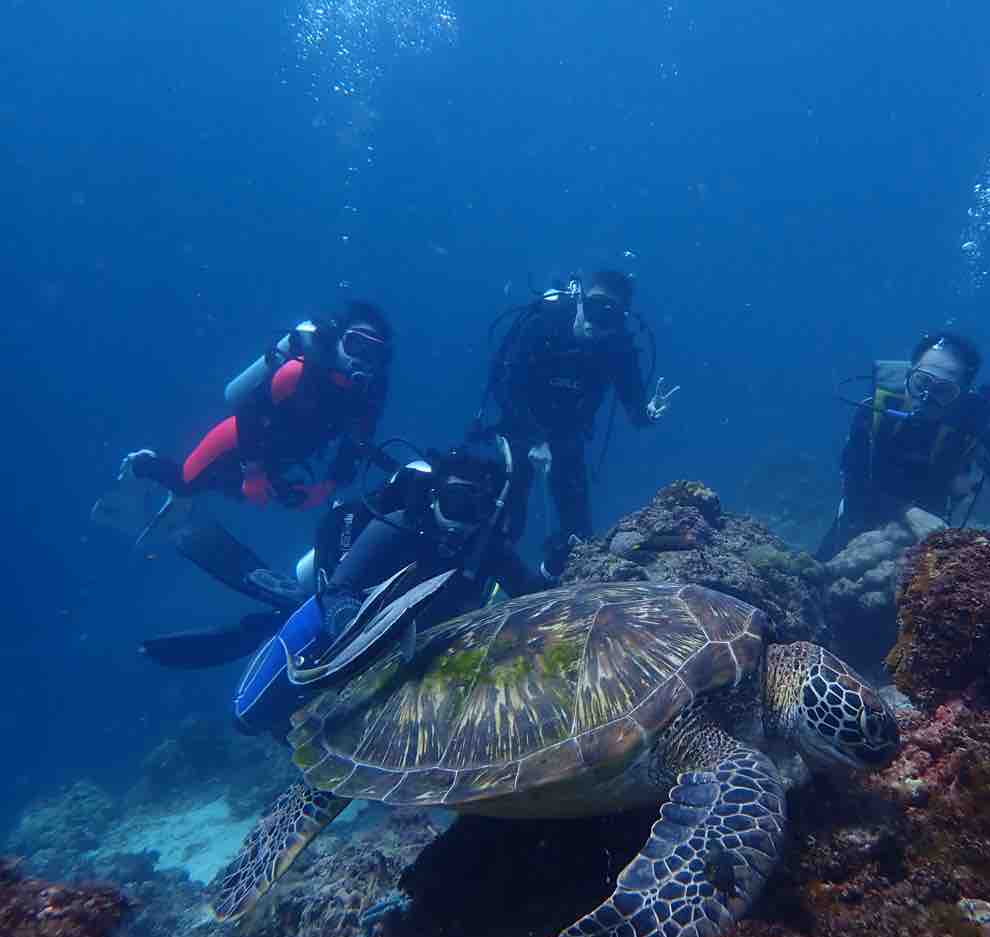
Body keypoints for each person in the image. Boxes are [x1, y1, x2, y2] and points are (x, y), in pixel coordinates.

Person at [227, 432, 548, 737]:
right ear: (435, 497)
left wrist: (554, 567)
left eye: (475, 508)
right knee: (247, 718)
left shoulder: (488, 547)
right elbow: (338, 590)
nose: (462, 520)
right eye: (456, 502)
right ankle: (274, 618)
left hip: (415, 651)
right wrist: (351, 624)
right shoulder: (398, 526)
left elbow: (534, 595)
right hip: (343, 627)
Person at [477, 269, 680, 579]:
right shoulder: (544, 324)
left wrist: (649, 413)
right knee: (506, 520)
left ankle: (554, 584)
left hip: (567, 436)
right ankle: (483, 581)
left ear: (621, 319)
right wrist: (535, 439)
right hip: (520, 429)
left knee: (578, 535)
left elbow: (633, 407)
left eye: (611, 316)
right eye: (596, 308)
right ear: (580, 299)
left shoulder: (617, 348)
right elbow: (508, 388)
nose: (598, 323)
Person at [120, 301, 393, 515]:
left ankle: (203, 488)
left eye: (372, 353)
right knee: (185, 482)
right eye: (355, 344)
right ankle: (142, 464)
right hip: (240, 438)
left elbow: (355, 447)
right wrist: (253, 473)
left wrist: (324, 489)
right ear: (338, 341)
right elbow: (248, 413)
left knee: (233, 490)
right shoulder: (298, 373)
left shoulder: (366, 399)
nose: (361, 358)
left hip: (282, 454)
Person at [814, 331, 990, 562]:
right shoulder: (876, 411)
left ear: (962, 393)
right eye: (921, 382)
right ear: (909, 375)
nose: (927, 397)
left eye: (943, 390)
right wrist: (907, 512)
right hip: (859, 522)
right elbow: (854, 488)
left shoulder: (973, 427)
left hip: (930, 542)